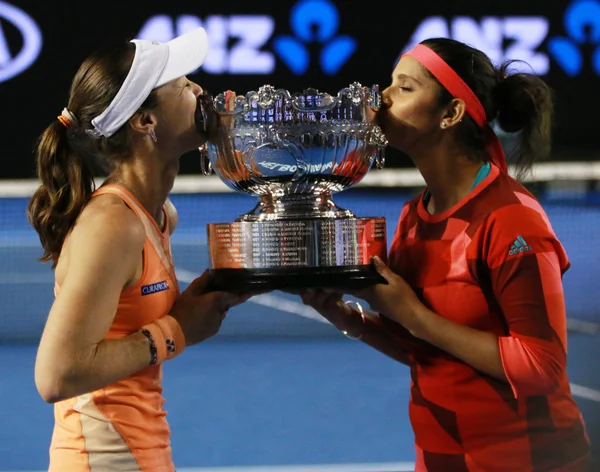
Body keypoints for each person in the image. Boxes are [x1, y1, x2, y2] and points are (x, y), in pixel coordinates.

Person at [295, 38, 591, 471]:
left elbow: (541, 366)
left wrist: (413, 315)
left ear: (450, 114)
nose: (383, 97)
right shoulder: (415, 216)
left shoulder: (512, 220)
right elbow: (427, 349)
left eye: (405, 87)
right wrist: (353, 320)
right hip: (439, 459)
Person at [26, 27, 250, 472]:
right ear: (145, 122)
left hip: (142, 454)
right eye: (183, 84)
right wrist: (175, 331)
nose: (198, 89)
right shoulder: (112, 225)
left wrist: (206, 299)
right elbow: (56, 376)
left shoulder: (159, 213)